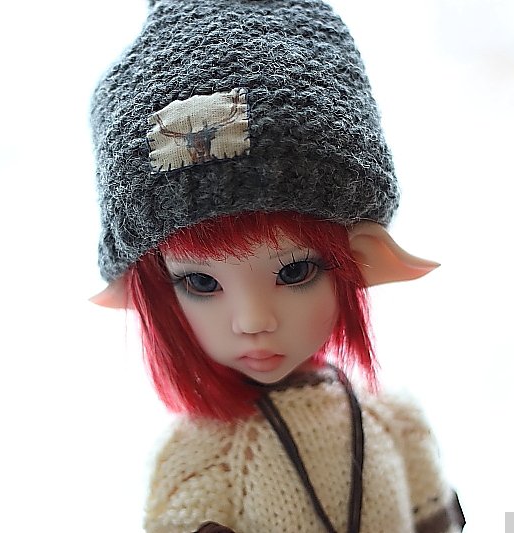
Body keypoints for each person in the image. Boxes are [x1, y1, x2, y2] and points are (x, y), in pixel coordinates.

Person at [89, 1, 465, 531]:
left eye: (294, 272)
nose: (253, 320)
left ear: (362, 258)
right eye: (201, 282)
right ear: (147, 291)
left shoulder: (396, 424)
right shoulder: (200, 459)